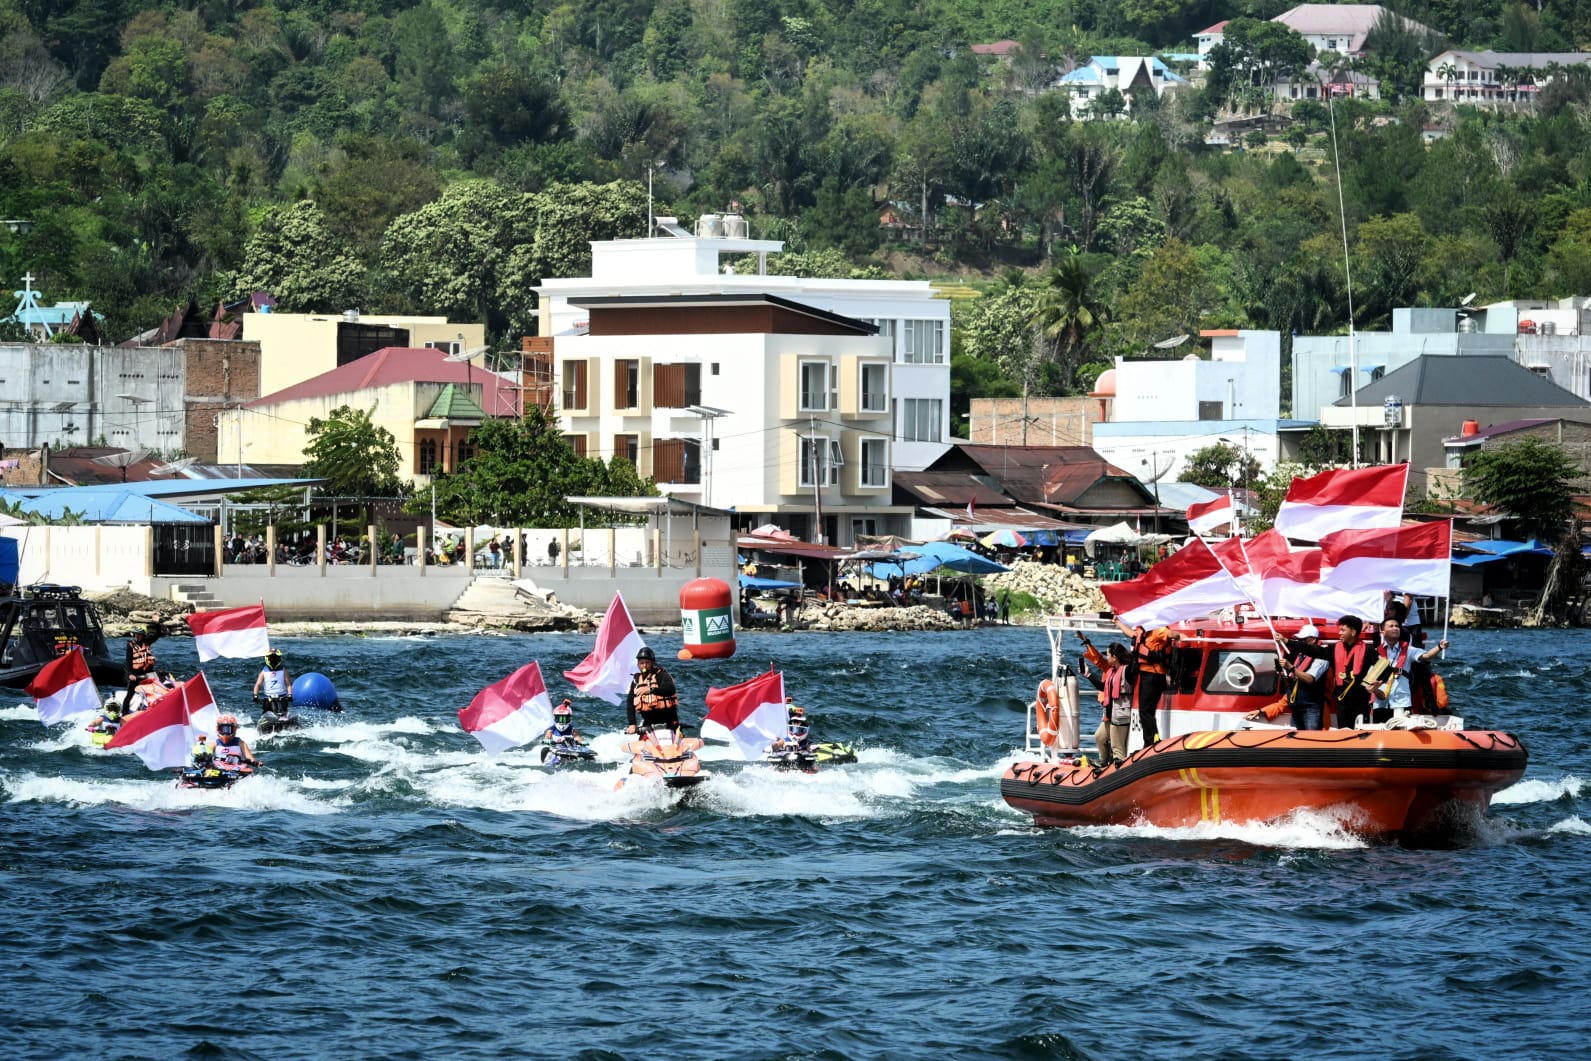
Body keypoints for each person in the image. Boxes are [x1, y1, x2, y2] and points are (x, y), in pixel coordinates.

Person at [1245, 623, 1330, 729]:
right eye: (1299, 640)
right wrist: (1261, 711)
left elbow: (1310, 679)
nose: (1300, 643)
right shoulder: (1301, 657)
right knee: (1296, 740)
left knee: (1311, 741)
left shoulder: (1322, 657)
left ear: (1313, 640)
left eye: (1303, 640)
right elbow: (1288, 697)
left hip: (1311, 708)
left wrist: (1291, 668)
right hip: (1296, 708)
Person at [1368, 618, 1448, 721]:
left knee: (1401, 733)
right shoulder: (1376, 653)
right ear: (1382, 631)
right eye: (1391, 626)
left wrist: (1439, 647)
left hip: (1401, 702)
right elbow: (1369, 682)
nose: (1395, 628)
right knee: (1380, 732)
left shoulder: (1409, 650)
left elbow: (1427, 655)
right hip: (1380, 703)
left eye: (1397, 626)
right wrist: (1376, 691)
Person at [1077, 636, 1132, 766]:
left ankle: (1119, 767)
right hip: (1110, 714)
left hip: (1120, 715)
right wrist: (1088, 675)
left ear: (1115, 657)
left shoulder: (1127, 671)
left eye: (1108, 655)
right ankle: (1103, 762)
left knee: (1117, 747)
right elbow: (1103, 687)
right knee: (1099, 737)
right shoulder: (1111, 672)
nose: (1106, 658)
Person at [624, 646, 680, 733]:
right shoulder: (636, 680)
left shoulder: (662, 675)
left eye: (647, 662)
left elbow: (670, 689)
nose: (644, 665)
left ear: (652, 663)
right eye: (642, 663)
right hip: (648, 725)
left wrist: (650, 690)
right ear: (638, 664)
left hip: (669, 723)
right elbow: (630, 703)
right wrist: (632, 724)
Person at [122, 622, 162, 712]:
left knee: (153, 691)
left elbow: (158, 634)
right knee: (129, 694)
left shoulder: (147, 642)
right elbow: (128, 660)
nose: (137, 636)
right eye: (136, 634)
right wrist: (130, 674)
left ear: (143, 635)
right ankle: (124, 713)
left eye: (139, 634)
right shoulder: (130, 645)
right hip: (135, 674)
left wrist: (156, 623)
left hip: (148, 673)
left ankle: (153, 710)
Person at [252, 648, 293, 725]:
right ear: (267, 659)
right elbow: (257, 684)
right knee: (266, 713)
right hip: (268, 699)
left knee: (284, 713)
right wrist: (255, 696)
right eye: (271, 658)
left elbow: (289, 685)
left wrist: (290, 695)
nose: (273, 660)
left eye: (275, 658)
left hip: (282, 698)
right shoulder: (264, 671)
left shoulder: (283, 670)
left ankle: (286, 723)